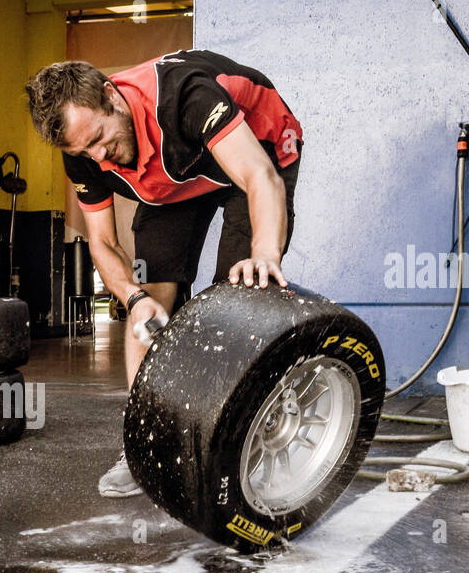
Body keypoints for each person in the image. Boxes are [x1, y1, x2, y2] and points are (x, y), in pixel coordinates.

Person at [25, 50, 303, 497]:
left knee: (236, 296)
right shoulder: (83, 152)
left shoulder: (185, 96)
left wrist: (266, 254)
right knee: (150, 296)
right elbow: (103, 242)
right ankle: (143, 445)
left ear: (112, 97)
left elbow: (259, 176)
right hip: (173, 182)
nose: (99, 159)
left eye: (99, 138)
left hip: (258, 150)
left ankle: (236, 442)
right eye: (85, 151)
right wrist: (135, 301)